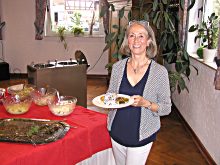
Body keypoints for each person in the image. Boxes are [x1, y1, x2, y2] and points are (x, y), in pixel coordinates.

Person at [106, 20, 172, 165]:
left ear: (149, 41)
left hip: (141, 135)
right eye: (131, 35)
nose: (136, 40)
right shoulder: (117, 67)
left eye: (141, 36)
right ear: (127, 41)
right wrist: (108, 100)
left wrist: (146, 103)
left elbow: (166, 108)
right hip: (116, 130)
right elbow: (110, 96)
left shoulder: (159, 72)